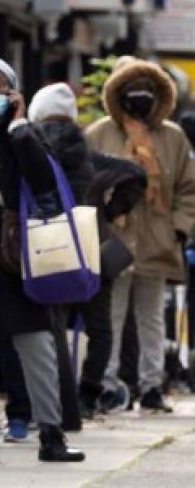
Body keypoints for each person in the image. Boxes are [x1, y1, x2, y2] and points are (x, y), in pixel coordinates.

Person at [0, 57, 84, 464]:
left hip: (21, 261)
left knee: (39, 348)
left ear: (14, 93)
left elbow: (46, 180)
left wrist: (18, 127)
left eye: (0, 85)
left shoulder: (24, 135)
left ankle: (51, 433)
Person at [29, 83, 147, 423]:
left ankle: (54, 399)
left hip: (46, 252)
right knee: (100, 327)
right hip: (91, 251)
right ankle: (87, 394)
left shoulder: (33, 151)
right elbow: (136, 173)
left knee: (50, 328)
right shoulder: (88, 156)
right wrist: (110, 211)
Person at [85, 57, 195, 413]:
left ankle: (151, 385)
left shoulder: (173, 138)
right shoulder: (99, 133)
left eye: (148, 91)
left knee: (151, 317)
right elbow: (84, 183)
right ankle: (109, 385)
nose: (140, 97)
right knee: (111, 316)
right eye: (133, 91)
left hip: (157, 240)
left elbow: (187, 189)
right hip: (111, 241)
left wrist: (180, 227)